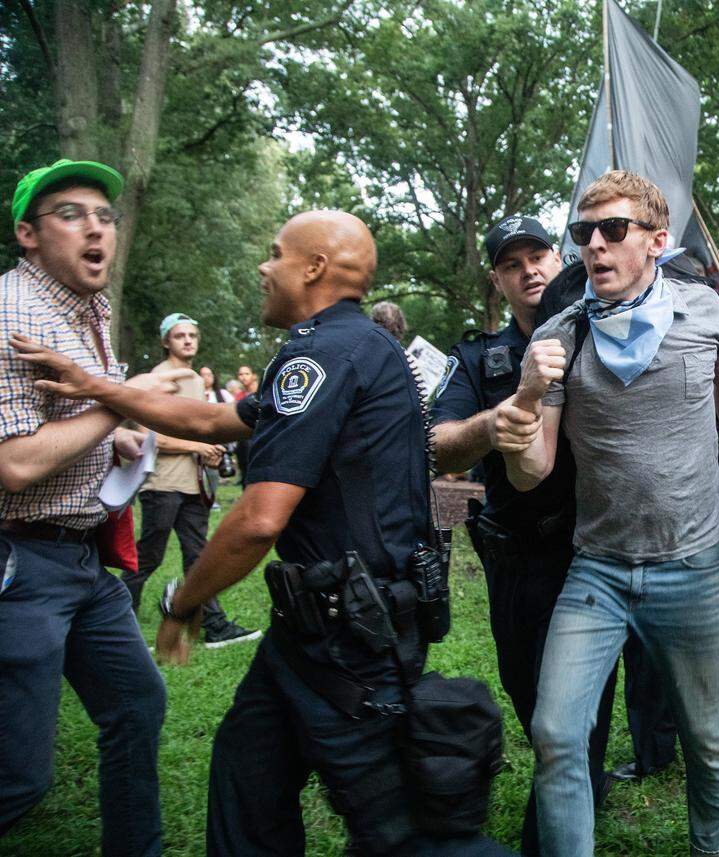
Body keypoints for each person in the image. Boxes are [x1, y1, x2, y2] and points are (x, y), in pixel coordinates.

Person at [14, 210, 513, 855]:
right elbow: (215, 422)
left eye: (275, 253)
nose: (263, 266)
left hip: (352, 641)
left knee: (399, 832)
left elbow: (258, 518)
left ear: (313, 268)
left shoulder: (326, 354)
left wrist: (184, 600)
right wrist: (96, 387)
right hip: (304, 635)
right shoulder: (345, 346)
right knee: (245, 781)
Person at [502, 171, 719, 857]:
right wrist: (528, 396)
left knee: (708, 738)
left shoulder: (702, 310)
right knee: (556, 732)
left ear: (656, 239)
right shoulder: (560, 334)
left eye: (613, 230)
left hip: (695, 564)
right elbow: (531, 470)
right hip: (599, 570)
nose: (595, 245)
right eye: (584, 233)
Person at [431, 215, 616, 854]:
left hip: (591, 554)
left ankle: (557, 824)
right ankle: (578, 777)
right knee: (526, 689)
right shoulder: (480, 357)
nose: (530, 269)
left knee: (570, 720)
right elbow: (438, 442)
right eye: (512, 263)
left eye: (538, 255)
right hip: (513, 555)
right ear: (498, 279)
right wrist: (496, 422)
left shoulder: (605, 334)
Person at [0, 159, 167, 855]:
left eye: (105, 217)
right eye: (71, 214)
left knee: (137, 700)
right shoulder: (13, 313)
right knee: (16, 779)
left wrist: (117, 432)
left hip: (80, 560)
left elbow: (74, 422)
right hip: (21, 561)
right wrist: (116, 401)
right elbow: (14, 462)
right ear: (27, 233)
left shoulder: (87, 309)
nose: (96, 228)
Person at [126, 312, 260, 648]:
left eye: (192, 335)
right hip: (162, 484)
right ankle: (121, 625)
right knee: (148, 558)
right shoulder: (158, 378)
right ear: (165, 342)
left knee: (199, 556)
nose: (187, 340)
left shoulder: (197, 382)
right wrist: (197, 446)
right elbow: (147, 437)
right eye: (179, 335)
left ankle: (214, 625)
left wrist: (210, 447)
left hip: (195, 485)